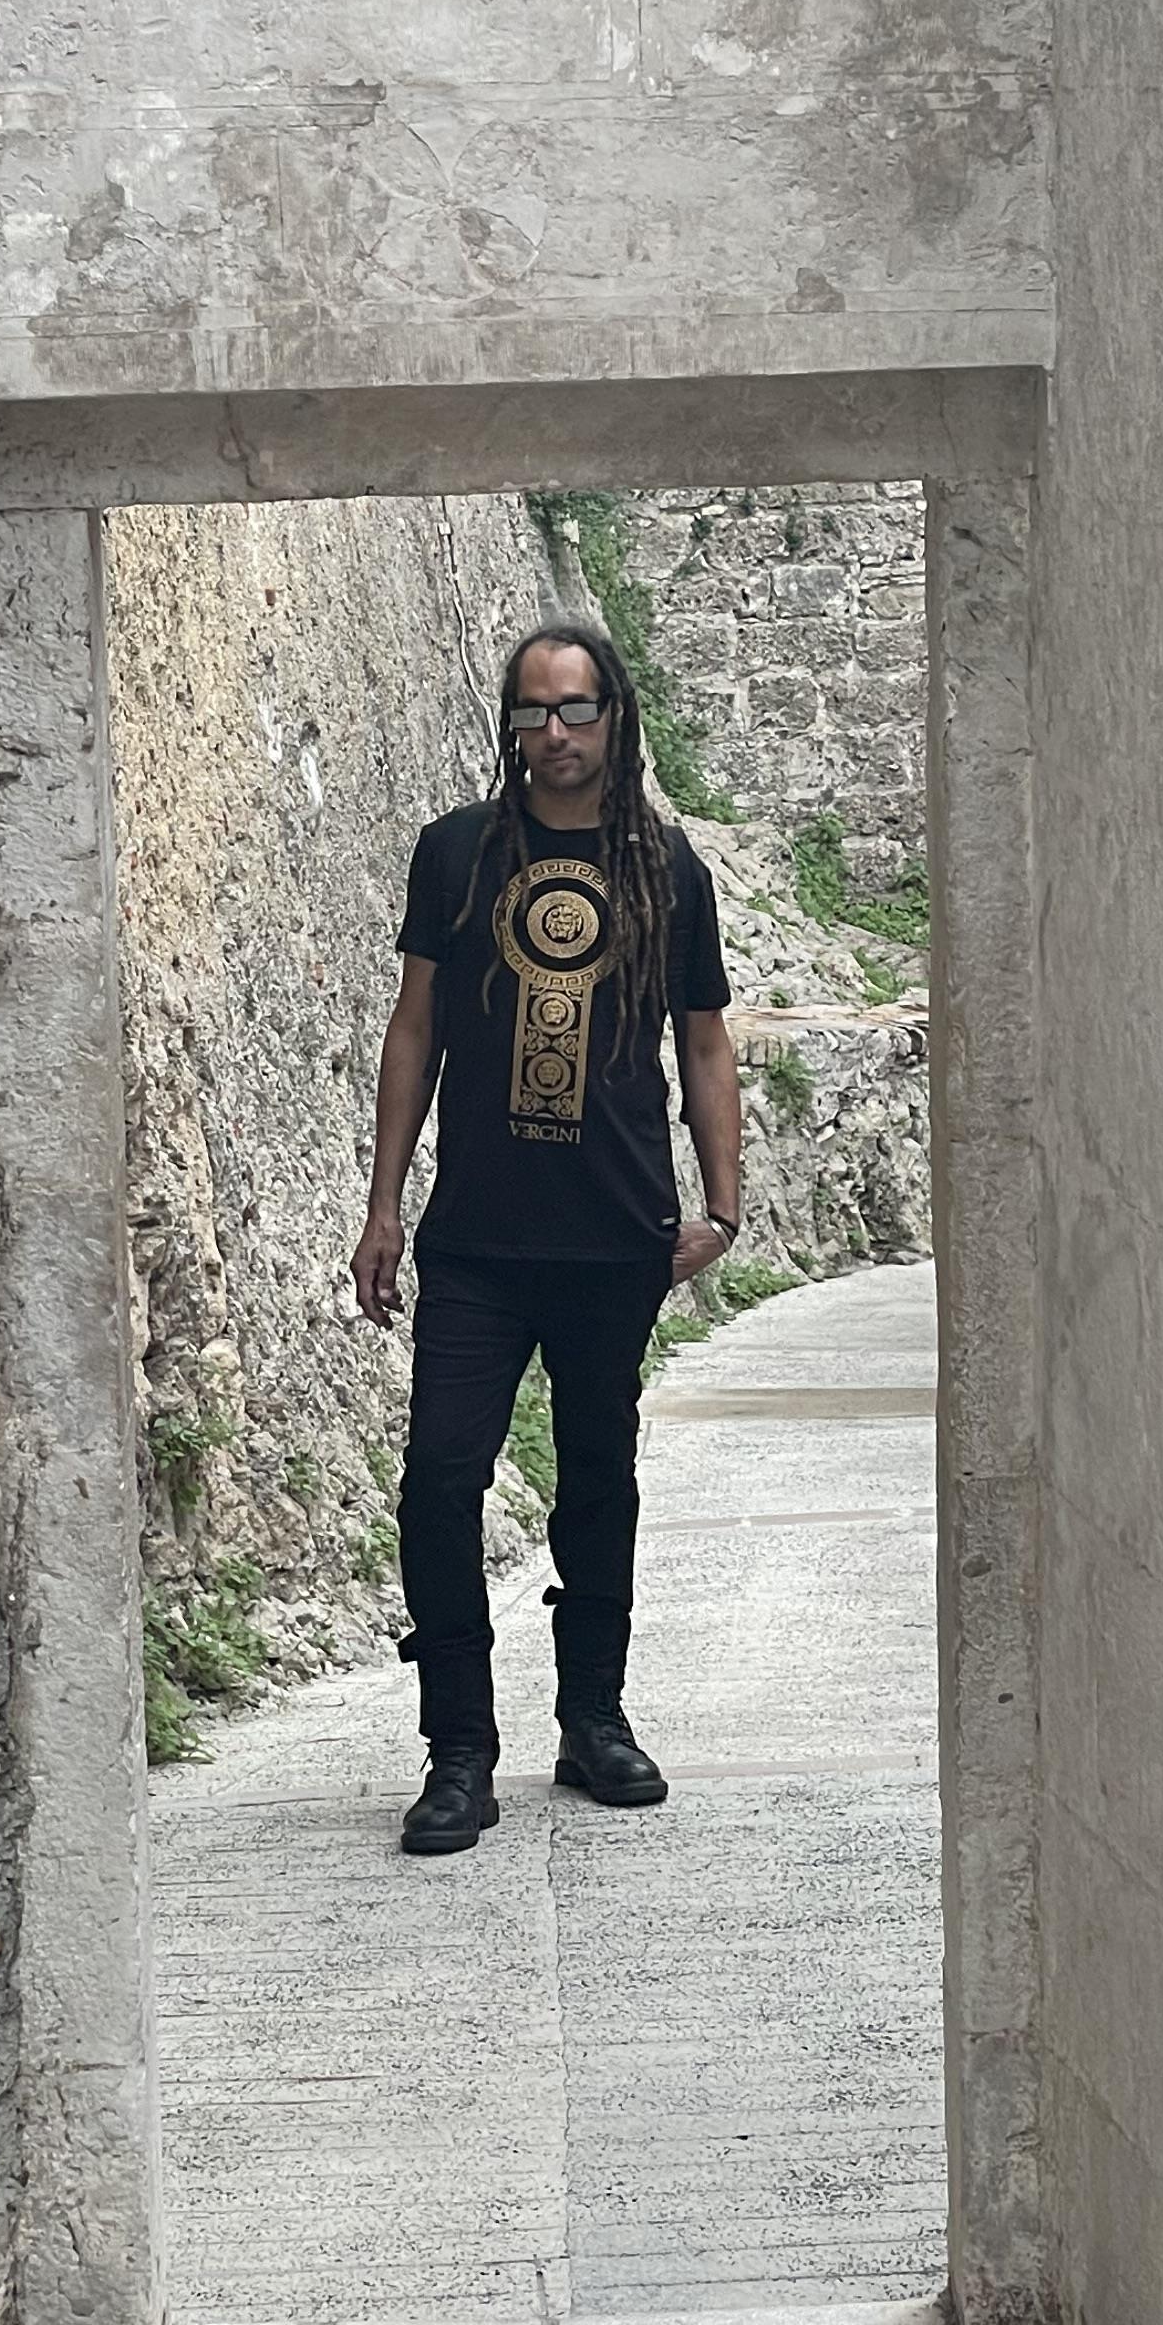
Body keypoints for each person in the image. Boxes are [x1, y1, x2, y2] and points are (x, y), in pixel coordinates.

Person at [351, 614, 744, 1856]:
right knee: (438, 1480)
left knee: (598, 1484)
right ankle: (459, 1750)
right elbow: (415, 1029)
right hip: (477, 1239)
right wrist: (383, 1205)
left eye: (576, 709)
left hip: (615, 1237)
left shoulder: (667, 868)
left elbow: (704, 1040)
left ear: (613, 716)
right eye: (533, 711)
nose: (556, 732)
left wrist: (722, 1203)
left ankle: (594, 1719)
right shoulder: (456, 853)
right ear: (511, 725)